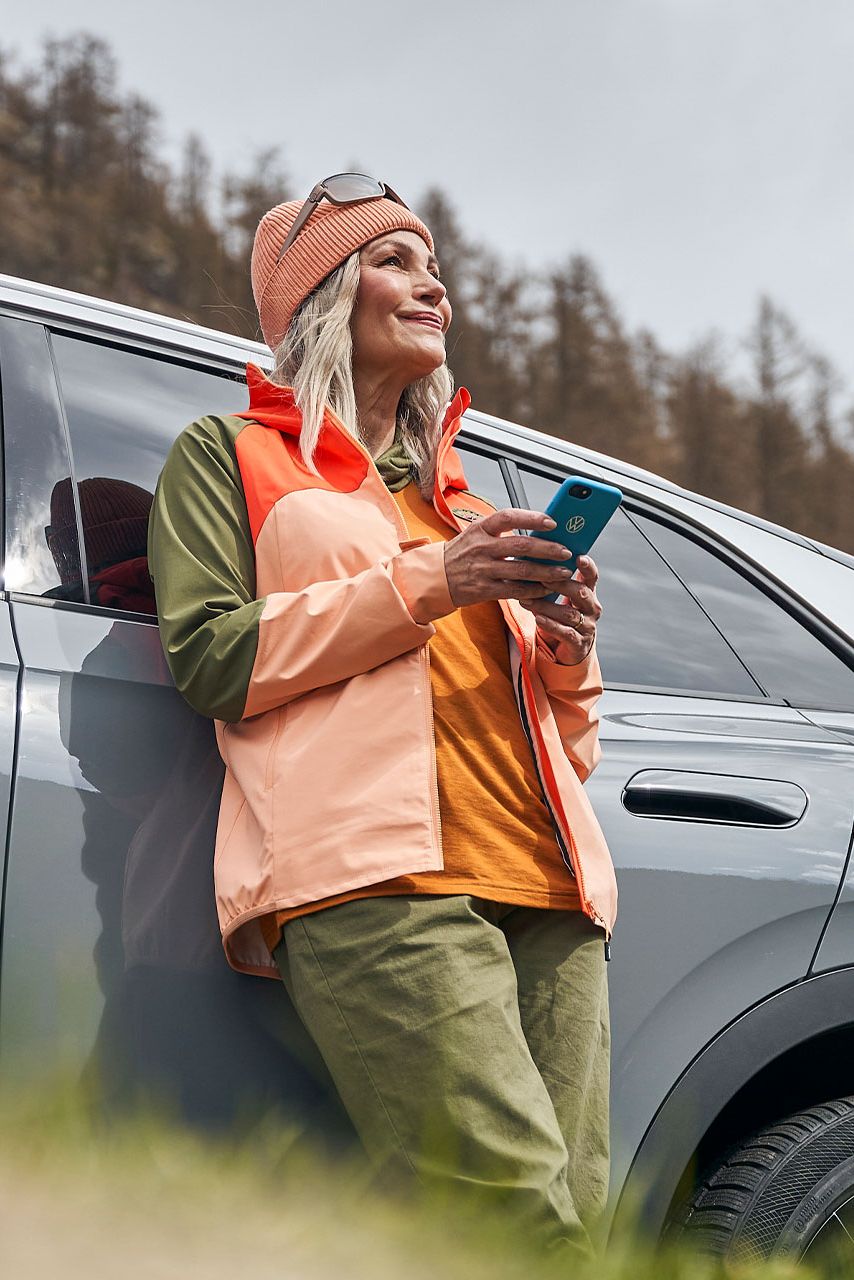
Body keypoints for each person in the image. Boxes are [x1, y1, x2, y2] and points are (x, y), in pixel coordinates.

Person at [148, 173, 618, 1253]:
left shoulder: (463, 498)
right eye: (393, 260)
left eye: (435, 268)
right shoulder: (232, 456)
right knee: (515, 1230)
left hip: (550, 891)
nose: (432, 288)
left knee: (564, 1236)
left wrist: (563, 650)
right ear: (319, 296)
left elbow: (568, 747)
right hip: (380, 884)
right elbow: (212, 657)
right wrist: (431, 584)